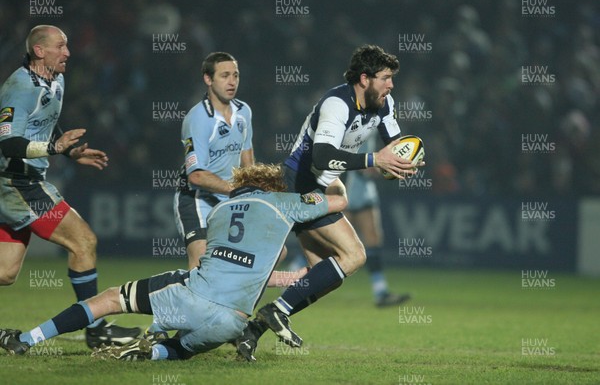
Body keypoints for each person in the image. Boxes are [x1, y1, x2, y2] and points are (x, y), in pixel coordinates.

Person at [0, 163, 346, 361]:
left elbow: (225, 263)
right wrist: (333, 172)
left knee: (108, 299)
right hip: (232, 325)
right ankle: (150, 356)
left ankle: (26, 339)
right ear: (270, 188)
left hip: (192, 299)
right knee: (181, 349)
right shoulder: (282, 202)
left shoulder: (219, 212)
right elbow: (339, 201)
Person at [235, 44, 424, 361]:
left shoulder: (384, 103)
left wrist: (409, 160)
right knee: (353, 255)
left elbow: (396, 144)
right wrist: (374, 158)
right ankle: (274, 310)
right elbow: (322, 156)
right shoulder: (337, 104)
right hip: (300, 184)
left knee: (322, 274)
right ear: (365, 78)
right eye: (386, 78)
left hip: (320, 184)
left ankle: (252, 332)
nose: (391, 85)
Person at [0, 25, 140, 348]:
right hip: (17, 184)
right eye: (61, 46)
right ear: (40, 51)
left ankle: (96, 328)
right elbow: (7, 142)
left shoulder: (56, 80)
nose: (68, 53)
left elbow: (44, 122)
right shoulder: (19, 87)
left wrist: (70, 150)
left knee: (5, 272)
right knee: (84, 241)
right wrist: (53, 149)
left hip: (23, 182)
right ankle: (97, 329)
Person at [174, 52, 255, 270]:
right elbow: (196, 175)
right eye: (225, 75)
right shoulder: (198, 118)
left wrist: (254, 189)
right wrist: (236, 189)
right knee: (201, 266)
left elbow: (247, 159)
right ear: (208, 79)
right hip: (197, 199)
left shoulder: (243, 112)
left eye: (236, 75)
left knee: (264, 253)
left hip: (230, 197)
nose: (232, 82)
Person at [344, 135, 411, 307]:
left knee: (373, 239)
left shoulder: (375, 120)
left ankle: (380, 292)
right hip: (348, 186)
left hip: (364, 188)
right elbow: (357, 163)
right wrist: (392, 168)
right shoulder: (355, 120)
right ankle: (294, 276)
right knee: (329, 241)